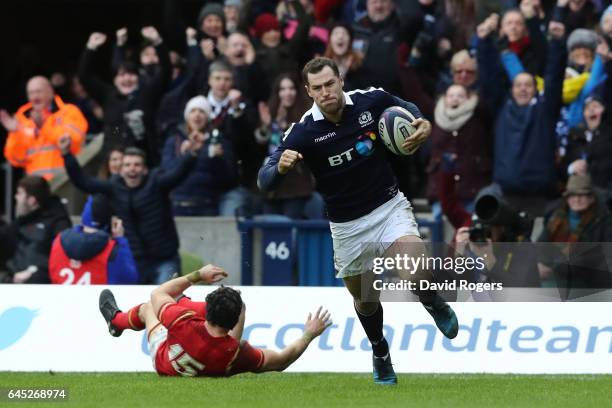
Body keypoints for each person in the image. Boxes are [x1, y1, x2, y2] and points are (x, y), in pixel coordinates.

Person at [258, 57, 458, 385]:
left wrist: (421, 122)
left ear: (340, 80)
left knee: (417, 269)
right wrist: (279, 168)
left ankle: (431, 300)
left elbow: (406, 106)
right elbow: (264, 180)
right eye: (318, 88)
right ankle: (380, 352)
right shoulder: (303, 132)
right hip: (347, 227)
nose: (326, 92)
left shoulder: (370, 100)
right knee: (366, 299)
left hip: (388, 208)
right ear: (309, 91)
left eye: (330, 84)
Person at [98, 264, 332, 376]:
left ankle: (115, 322)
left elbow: (158, 294)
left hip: (164, 362)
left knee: (149, 309)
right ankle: (186, 299)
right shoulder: (237, 352)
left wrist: (197, 275)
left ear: (206, 312)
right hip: (215, 358)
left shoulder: (183, 321)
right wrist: (309, 333)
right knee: (190, 308)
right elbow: (283, 360)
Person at [60, 136, 203, 284]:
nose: (132, 169)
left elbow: (178, 174)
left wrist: (191, 154)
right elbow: (84, 182)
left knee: (165, 301)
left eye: (137, 165)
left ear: (145, 169)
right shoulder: (114, 187)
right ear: (121, 171)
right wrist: (67, 155)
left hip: (164, 260)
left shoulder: (157, 183)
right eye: (127, 165)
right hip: (133, 261)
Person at [161, 96, 238, 216]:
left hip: (207, 206)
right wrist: (186, 155)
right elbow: (166, 173)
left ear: (207, 117)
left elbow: (228, 179)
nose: (197, 115)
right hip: (177, 205)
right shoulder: (174, 141)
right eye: (193, 111)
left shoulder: (219, 141)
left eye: (202, 111)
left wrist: (218, 158)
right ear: (187, 116)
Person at [1, 76, 87, 180]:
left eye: (38, 91)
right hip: (36, 188)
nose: (35, 97)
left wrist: (44, 126)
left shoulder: (69, 112)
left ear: (50, 92)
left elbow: (74, 141)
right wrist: (15, 133)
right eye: (31, 93)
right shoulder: (22, 119)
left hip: (67, 182)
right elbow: (16, 160)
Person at [48, 194, 138, 285]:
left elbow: (52, 275)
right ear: (110, 223)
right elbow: (129, 280)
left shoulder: (59, 241)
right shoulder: (112, 251)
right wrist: (121, 241)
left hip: (62, 299)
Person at [0, 176, 71, 283]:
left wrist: (35, 271)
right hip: (12, 280)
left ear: (32, 200)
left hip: (38, 283)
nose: (16, 197)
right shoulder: (22, 221)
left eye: (19, 193)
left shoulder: (58, 223)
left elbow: (61, 257)